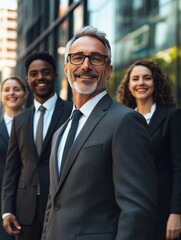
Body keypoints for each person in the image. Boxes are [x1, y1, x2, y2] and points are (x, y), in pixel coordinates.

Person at [41, 26, 157, 240]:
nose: (86, 65)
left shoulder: (126, 122)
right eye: (77, 58)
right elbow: (53, 205)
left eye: (96, 58)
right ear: (66, 68)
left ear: (109, 70)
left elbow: (137, 211)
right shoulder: (60, 132)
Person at [1, 52, 73, 240]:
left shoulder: (72, 113)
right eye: (34, 73)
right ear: (28, 79)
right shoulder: (20, 120)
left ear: (55, 76)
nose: (40, 77)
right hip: (25, 213)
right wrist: (7, 211)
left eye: (45, 72)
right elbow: (12, 170)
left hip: (62, 208)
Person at [116, 59, 181, 240]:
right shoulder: (122, 119)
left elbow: (178, 168)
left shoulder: (172, 117)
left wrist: (176, 213)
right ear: (128, 85)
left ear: (156, 83)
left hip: (163, 210)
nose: (141, 83)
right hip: (130, 211)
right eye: (135, 79)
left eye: (147, 78)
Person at [0, 76, 27, 240]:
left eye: (16, 89)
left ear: (25, 93)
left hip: (29, 203)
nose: (12, 93)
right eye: (7, 90)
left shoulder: (35, 124)